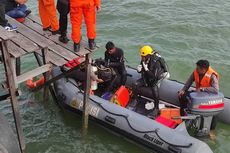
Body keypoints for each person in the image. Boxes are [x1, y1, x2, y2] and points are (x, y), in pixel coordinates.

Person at [133, 45, 169, 117]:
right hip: (147, 77)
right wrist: (139, 69)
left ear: (148, 55)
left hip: (155, 78)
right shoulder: (144, 58)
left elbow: (154, 76)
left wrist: (146, 69)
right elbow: (141, 69)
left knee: (155, 90)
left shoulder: (156, 62)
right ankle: (136, 100)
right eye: (141, 56)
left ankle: (156, 108)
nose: (142, 57)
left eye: (143, 56)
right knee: (135, 84)